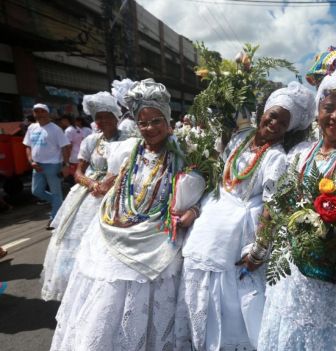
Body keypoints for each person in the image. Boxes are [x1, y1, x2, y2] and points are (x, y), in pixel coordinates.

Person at [50, 79, 205, 350]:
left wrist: (192, 210)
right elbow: (112, 183)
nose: (149, 129)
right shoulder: (125, 150)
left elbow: (204, 193)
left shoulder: (184, 153)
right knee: (107, 294)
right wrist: (95, 186)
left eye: (156, 121)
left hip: (158, 235)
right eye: (143, 123)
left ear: (168, 121)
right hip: (115, 227)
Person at [258, 43, 336, 350]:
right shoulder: (300, 153)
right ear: (317, 111)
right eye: (328, 107)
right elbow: (276, 204)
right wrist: (262, 243)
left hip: (331, 280)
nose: (335, 116)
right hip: (290, 273)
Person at [174, 81, 315, 350]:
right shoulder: (241, 138)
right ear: (262, 112)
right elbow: (220, 177)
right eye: (272, 116)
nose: (274, 124)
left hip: (239, 228)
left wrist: (260, 248)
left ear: (287, 130)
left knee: (229, 290)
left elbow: (273, 206)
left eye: (282, 123)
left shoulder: (276, 158)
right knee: (197, 271)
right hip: (214, 213)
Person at [41, 91, 127, 301]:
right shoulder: (90, 141)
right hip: (89, 194)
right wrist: (92, 183)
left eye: (107, 115)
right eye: (98, 116)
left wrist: (112, 183)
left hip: (119, 192)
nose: (103, 120)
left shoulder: (129, 140)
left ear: (117, 117)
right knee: (75, 239)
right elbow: (78, 172)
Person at [23, 103, 71, 229]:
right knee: (36, 191)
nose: (39, 114)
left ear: (47, 113)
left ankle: (54, 219)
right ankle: (59, 203)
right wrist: (31, 161)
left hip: (53, 165)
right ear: (34, 114)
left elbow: (65, 147)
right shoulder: (32, 128)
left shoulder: (55, 129)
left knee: (55, 192)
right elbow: (28, 146)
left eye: (42, 111)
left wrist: (66, 165)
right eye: (37, 112)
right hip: (37, 165)